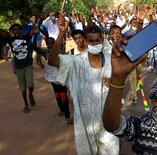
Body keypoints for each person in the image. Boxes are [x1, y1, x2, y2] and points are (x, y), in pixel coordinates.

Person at [44, 14, 119, 154]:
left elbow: (123, 76)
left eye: (97, 41)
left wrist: (113, 82)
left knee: (111, 150)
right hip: (85, 121)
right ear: (85, 41)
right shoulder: (76, 62)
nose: (95, 44)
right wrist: (61, 33)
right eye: (91, 41)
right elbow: (53, 62)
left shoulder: (111, 61)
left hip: (107, 118)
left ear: (102, 40)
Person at [6, 23, 38, 113]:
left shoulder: (25, 37)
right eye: (14, 29)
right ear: (11, 31)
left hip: (28, 65)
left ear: (21, 30)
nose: (16, 31)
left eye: (18, 29)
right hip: (18, 67)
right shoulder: (10, 39)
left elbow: (34, 31)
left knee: (30, 85)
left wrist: (35, 25)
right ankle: (26, 104)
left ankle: (30, 94)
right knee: (22, 87)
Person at [44, 37, 72, 124]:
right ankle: (61, 109)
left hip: (61, 76)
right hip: (52, 77)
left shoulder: (61, 52)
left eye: (52, 43)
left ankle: (67, 116)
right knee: (57, 94)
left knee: (63, 95)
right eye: (48, 43)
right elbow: (35, 48)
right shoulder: (45, 52)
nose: (50, 45)